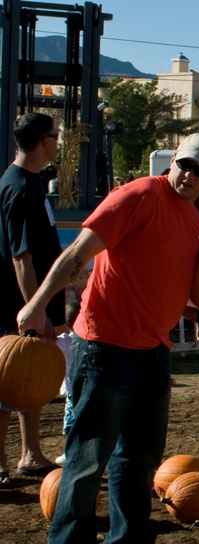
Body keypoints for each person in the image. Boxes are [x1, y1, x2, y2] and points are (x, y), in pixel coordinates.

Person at [16, 133, 199, 544]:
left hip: (152, 352)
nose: (188, 175)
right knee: (85, 463)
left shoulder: (196, 223)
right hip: (105, 347)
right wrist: (38, 304)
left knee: (137, 461)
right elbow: (77, 255)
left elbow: (170, 286)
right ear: (172, 162)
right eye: (183, 164)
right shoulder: (138, 196)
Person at [0, 112, 63, 488]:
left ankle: (31, 452)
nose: (57, 142)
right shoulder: (21, 188)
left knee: (31, 378)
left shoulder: (30, 183)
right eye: (56, 136)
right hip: (17, 304)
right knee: (8, 382)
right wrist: (35, 311)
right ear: (43, 141)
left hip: (28, 302)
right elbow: (21, 257)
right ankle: (3, 462)